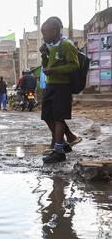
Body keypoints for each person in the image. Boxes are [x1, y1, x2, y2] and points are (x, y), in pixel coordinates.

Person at [39, 18, 80, 163]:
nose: (43, 36)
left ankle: (59, 152)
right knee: (47, 116)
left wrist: (55, 70)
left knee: (58, 118)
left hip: (62, 86)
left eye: (45, 33)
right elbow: (46, 66)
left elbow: (75, 65)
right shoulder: (50, 46)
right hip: (50, 86)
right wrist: (44, 54)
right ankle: (62, 144)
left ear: (54, 31)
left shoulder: (66, 45)